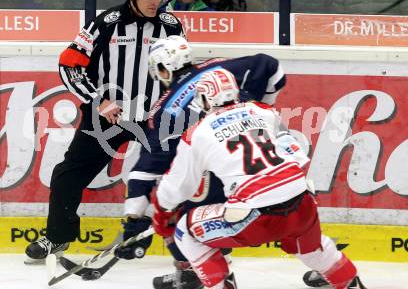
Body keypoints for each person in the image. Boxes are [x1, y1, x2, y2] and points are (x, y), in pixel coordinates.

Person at [24, 0, 184, 264]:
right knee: (67, 176)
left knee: (181, 177)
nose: (156, 0)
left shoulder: (172, 25)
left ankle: (186, 246)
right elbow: (69, 64)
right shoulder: (106, 22)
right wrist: (98, 100)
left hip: (153, 120)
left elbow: (176, 71)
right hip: (108, 118)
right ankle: (58, 237)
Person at [152, 68, 367, 289]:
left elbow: (175, 188)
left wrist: (162, 214)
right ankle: (351, 284)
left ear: (206, 99)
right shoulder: (263, 110)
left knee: (185, 232)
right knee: (313, 251)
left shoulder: (197, 132)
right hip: (300, 200)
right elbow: (297, 155)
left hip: (254, 214)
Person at [114, 35, 287, 289]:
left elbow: (146, 171)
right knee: (298, 222)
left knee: (179, 217)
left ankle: (193, 271)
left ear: (162, 68)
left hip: (219, 181)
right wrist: (261, 107)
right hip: (267, 167)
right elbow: (273, 67)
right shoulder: (220, 68)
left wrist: (134, 217)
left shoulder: (164, 110)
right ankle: (330, 268)